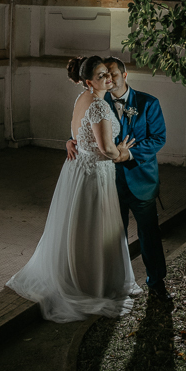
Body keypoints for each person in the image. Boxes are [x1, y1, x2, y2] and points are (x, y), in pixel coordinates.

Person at [6, 55, 141, 322]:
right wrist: (123, 151)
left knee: (80, 226)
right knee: (94, 227)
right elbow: (106, 149)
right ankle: (91, 284)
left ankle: (75, 274)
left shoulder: (82, 99)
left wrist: (74, 142)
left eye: (108, 73)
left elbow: (81, 135)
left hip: (79, 169)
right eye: (102, 75)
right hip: (94, 174)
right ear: (89, 81)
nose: (108, 78)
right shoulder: (99, 107)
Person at [67, 56, 171, 304]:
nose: (109, 79)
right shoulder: (98, 100)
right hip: (109, 182)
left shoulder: (148, 103)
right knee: (114, 235)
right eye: (105, 74)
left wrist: (130, 153)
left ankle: (157, 283)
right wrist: (71, 141)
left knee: (149, 235)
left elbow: (158, 138)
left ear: (125, 76)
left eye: (113, 74)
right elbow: (86, 128)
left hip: (141, 180)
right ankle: (116, 281)